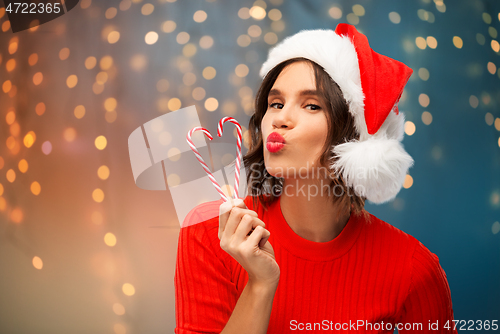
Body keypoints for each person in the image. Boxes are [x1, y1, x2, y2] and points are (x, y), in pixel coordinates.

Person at [174, 23, 457, 333]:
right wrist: (261, 284)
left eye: (311, 105)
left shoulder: (414, 269)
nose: (280, 119)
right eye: (276, 103)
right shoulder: (210, 233)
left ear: (353, 136)